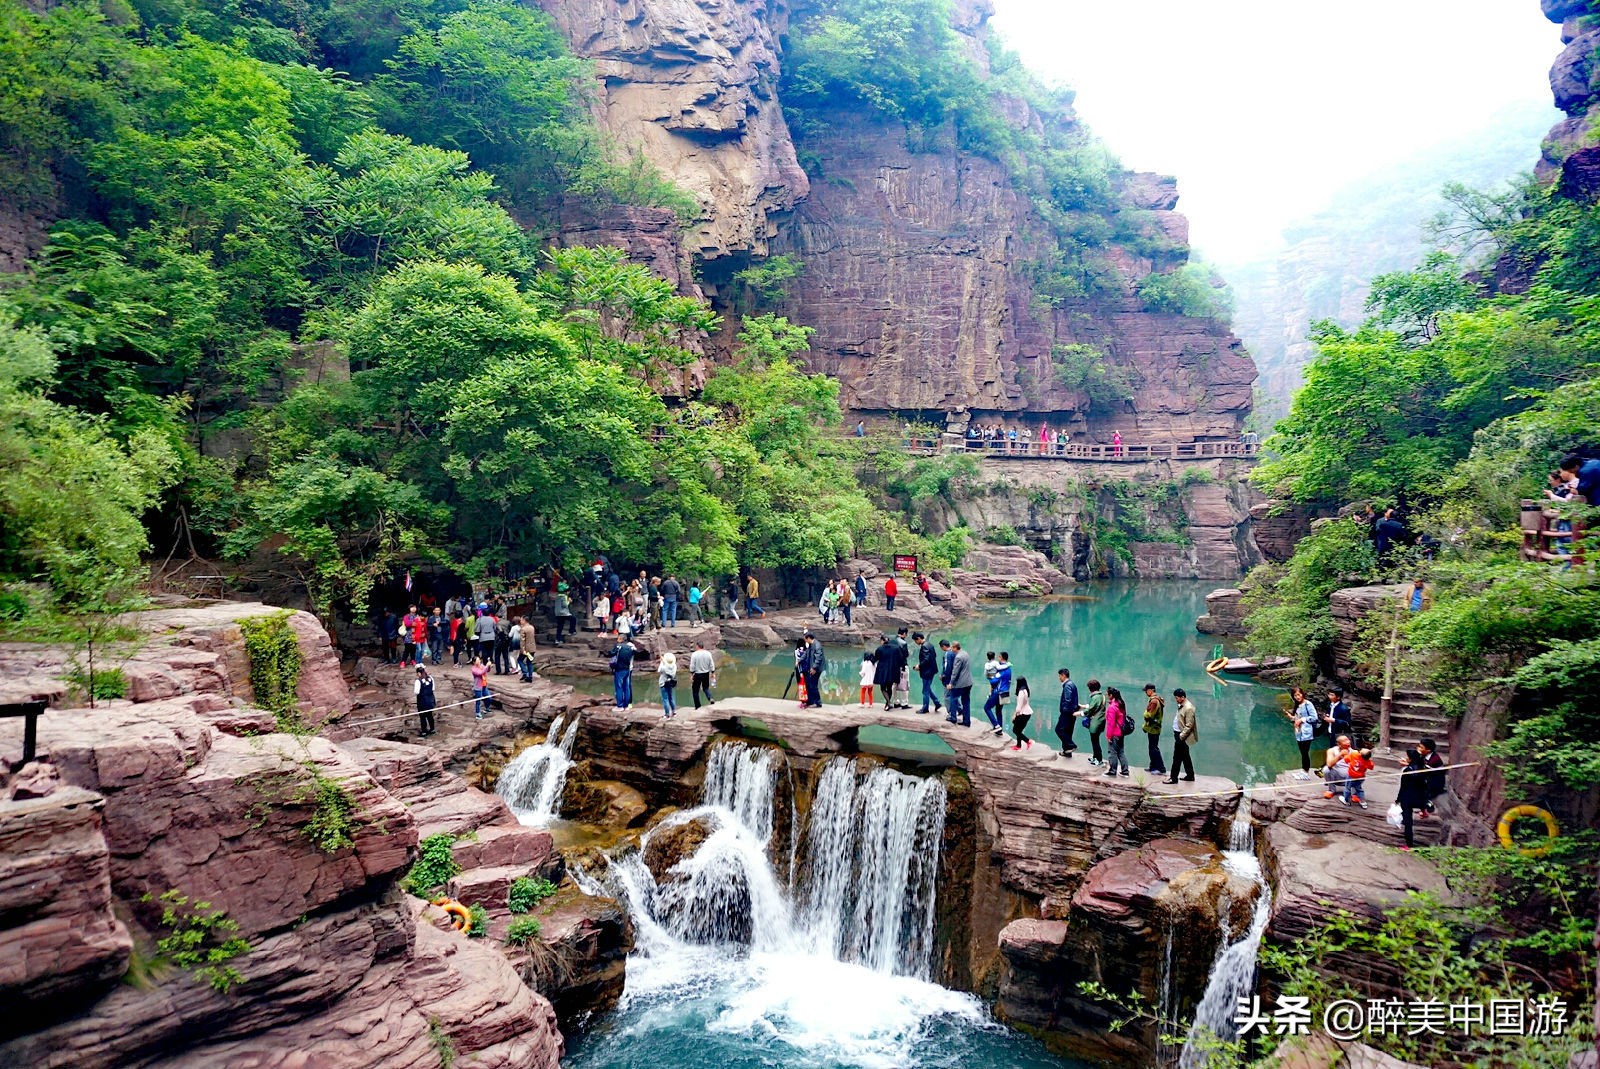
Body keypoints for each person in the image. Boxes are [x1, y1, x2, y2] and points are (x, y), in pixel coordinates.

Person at [1396, 747, 1431, 849]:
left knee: (1408, 822)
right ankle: (1424, 811)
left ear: (1410, 759)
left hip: (1407, 798)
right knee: (1421, 802)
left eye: (1407, 757)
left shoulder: (1407, 771)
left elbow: (1403, 787)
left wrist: (1398, 799)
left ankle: (1409, 845)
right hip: (1420, 796)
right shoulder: (1423, 768)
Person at [1167, 688, 1197, 782]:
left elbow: (1189, 725)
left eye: (1177, 698)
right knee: (1185, 756)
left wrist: (1181, 736)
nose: (1176, 700)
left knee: (1177, 757)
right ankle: (1190, 775)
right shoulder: (1182, 705)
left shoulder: (1188, 708)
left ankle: (1173, 778)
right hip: (1178, 733)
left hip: (1181, 735)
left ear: (1182, 697)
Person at [982, 651, 1011, 737]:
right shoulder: (1009, 669)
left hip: (998, 692)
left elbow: (995, 680)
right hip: (1005, 692)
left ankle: (996, 725)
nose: (998, 658)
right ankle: (1000, 729)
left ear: (1001, 658)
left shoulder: (1002, 671)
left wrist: (990, 677)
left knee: (986, 708)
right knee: (998, 710)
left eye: (999, 657)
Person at [913, 632, 943, 716]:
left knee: (925, 691)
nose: (916, 642)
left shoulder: (924, 646)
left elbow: (926, 659)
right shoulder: (930, 644)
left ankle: (925, 708)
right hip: (932, 670)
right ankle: (937, 702)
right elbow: (934, 656)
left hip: (927, 672)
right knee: (927, 688)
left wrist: (919, 666)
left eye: (915, 640)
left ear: (919, 638)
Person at [1141, 684, 1167, 776]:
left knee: (1154, 748)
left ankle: (1161, 768)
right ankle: (1153, 766)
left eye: (1146, 691)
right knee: (1152, 748)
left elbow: (1149, 715)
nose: (1145, 692)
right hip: (1154, 727)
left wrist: (1145, 713)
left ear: (1151, 690)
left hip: (1154, 728)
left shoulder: (1154, 701)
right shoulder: (1156, 699)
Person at [1103, 686, 1129, 776]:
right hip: (1121, 732)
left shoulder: (1112, 708)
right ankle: (1125, 771)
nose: (1106, 695)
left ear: (1111, 695)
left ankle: (1112, 770)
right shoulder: (1121, 704)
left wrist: (1109, 736)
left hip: (1114, 733)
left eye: (1107, 694)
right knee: (1121, 752)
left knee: (1112, 752)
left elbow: (1111, 724)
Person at [1291, 686, 1317, 774]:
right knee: (1302, 752)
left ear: (1302, 694)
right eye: (1295, 696)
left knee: (1305, 752)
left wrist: (1302, 720)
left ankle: (1306, 770)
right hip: (1299, 733)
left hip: (1307, 733)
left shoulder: (1308, 704)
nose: (1298, 697)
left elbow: (1314, 718)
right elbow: (1298, 717)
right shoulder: (1297, 705)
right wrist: (1293, 718)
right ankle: (1304, 769)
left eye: (1299, 694)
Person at [1418, 737, 1447, 815]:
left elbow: (1435, 774)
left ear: (1428, 750)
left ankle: (1428, 805)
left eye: (1421, 747)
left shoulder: (1435, 759)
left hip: (1435, 782)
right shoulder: (1424, 755)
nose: (1419, 749)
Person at [947, 642, 973, 726]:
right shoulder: (965, 653)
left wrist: (951, 683)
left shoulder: (958, 657)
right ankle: (966, 721)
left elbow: (955, 672)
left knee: (953, 698)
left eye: (952, 648)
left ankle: (953, 718)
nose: (951, 649)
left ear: (955, 647)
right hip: (968, 682)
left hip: (960, 683)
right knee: (966, 701)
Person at [872, 634, 899, 710]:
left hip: (882, 670)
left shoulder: (879, 649)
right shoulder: (895, 648)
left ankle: (888, 703)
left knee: (883, 688)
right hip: (892, 670)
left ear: (882, 641)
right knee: (889, 687)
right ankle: (887, 704)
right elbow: (899, 658)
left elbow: (875, 659)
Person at [1056, 669, 1079, 757]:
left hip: (1067, 713)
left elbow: (1068, 700)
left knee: (1059, 729)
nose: (1059, 678)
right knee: (1067, 731)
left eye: (1059, 676)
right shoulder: (1072, 684)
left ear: (1063, 675)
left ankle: (1071, 745)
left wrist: (1065, 711)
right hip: (1072, 712)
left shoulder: (1067, 686)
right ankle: (1067, 752)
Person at [1083, 679, 1106, 765]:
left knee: (1095, 741)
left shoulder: (1095, 697)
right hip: (1101, 721)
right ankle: (1095, 757)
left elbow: (1091, 709)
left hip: (1096, 722)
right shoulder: (1101, 696)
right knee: (1095, 740)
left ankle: (1098, 759)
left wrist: (1081, 713)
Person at [1322, 735, 1353, 799]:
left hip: (1349, 778)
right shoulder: (1331, 750)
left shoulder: (1353, 752)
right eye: (1345, 741)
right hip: (1336, 777)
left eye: (1348, 739)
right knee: (1326, 769)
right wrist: (1340, 755)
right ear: (1339, 744)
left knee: (1359, 772)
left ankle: (1354, 792)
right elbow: (1329, 764)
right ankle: (1331, 790)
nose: (1348, 742)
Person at [610, 635, 636, 711]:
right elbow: (635, 652)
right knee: (626, 687)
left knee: (619, 687)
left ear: (621, 639)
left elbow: (611, 653)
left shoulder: (618, 647)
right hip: (627, 669)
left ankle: (620, 706)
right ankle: (627, 705)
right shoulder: (630, 648)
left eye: (618, 638)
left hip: (619, 669)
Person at [801, 632, 825, 709]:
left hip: (816, 669)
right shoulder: (811, 645)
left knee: (813, 685)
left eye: (805, 639)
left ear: (808, 638)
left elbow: (818, 658)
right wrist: (799, 660)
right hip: (811, 668)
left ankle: (818, 703)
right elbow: (806, 653)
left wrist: (814, 668)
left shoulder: (817, 645)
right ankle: (810, 701)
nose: (805, 641)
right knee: (808, 683)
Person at [689, 641, 716, 709]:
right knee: (705, 688)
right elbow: (711, 663)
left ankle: (698, 706)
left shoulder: (694, 654)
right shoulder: (708, 653)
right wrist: (712, 672)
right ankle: (710, 698)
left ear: (698, 646)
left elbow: (692, 665)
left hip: (697, 674)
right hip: (706, 673)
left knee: (695, 691)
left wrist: (692, 674)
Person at [1010, 677, 1034, 750]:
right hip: (1027, 713)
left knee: (1015, 730)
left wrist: (1015, 715)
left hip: (1022, 714)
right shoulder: (1026, 690)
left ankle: (1028, 741)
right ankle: (1018, 745)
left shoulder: (1021, 693)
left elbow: (1019, 706)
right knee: (1019, 730)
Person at [415, 665, 437, 737]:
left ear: (419, 673)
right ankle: (432, 729)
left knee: (422, 716)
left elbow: (416, 692)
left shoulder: (418, 681)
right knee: (430, 715)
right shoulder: (431, 678)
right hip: (430, 700)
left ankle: (424, 731)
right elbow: (433, 688)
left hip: (422, 701)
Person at [657, 651, 679, 718]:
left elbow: (659, 670)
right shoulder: (674, 666)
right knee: (671, 698)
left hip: (663, 683)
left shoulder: (664, 667)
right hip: (670, 683)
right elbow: (668, 666)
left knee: (665, 699)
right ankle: (674, 712)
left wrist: (661, 662)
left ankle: (667, 714)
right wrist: (664, 661)